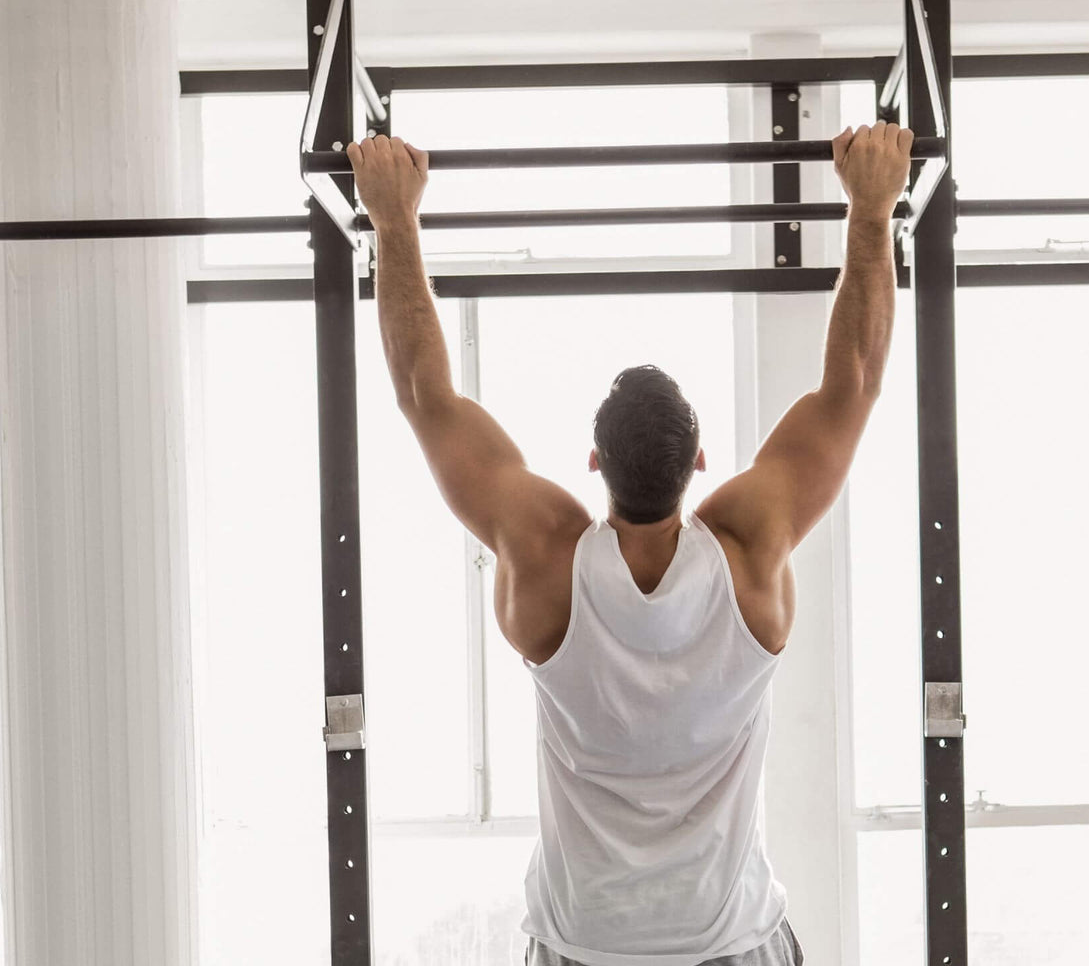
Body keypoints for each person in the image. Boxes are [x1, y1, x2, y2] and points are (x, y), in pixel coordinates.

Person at [347, 119, 912, 966]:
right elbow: (854, 386)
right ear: (702, 465)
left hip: (587, 950)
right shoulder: (748, 550)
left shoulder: (545, 560)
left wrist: (395, 220)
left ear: (593, 462)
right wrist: (871, 208)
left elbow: (426, 395)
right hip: (733, 945)